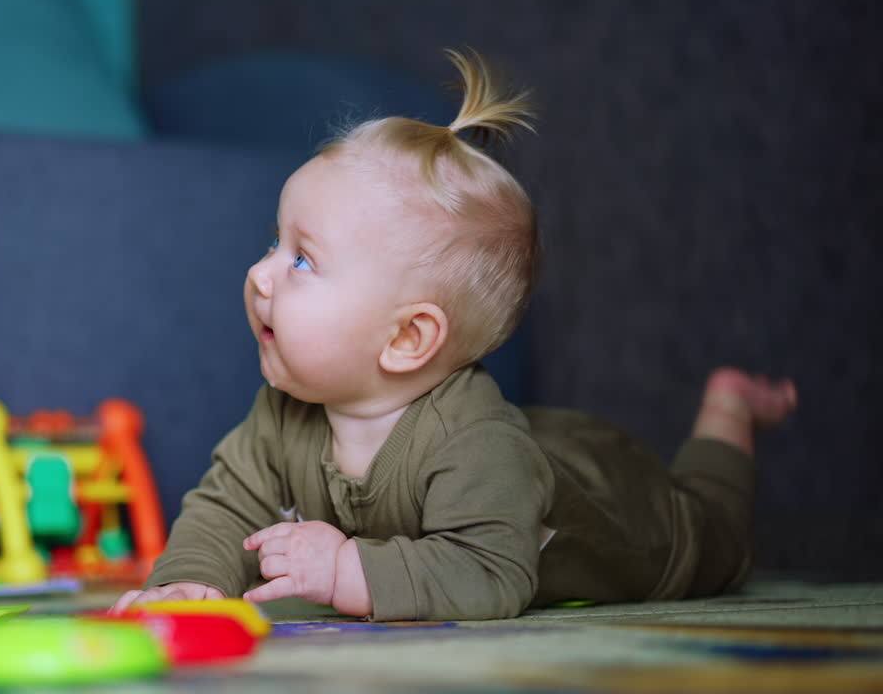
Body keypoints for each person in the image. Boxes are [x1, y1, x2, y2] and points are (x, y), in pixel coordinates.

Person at [111, 49, 796, 621]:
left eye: (303, 260)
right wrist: (190, 581)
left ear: (408, 338)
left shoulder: (475, 446)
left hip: (638, 518)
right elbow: (225, 506)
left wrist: (349, 566)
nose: (261, 275)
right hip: (540, 445)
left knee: (716, 523)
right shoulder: (284, 414)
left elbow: (492, 574)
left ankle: (728, 409)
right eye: (273, 242)